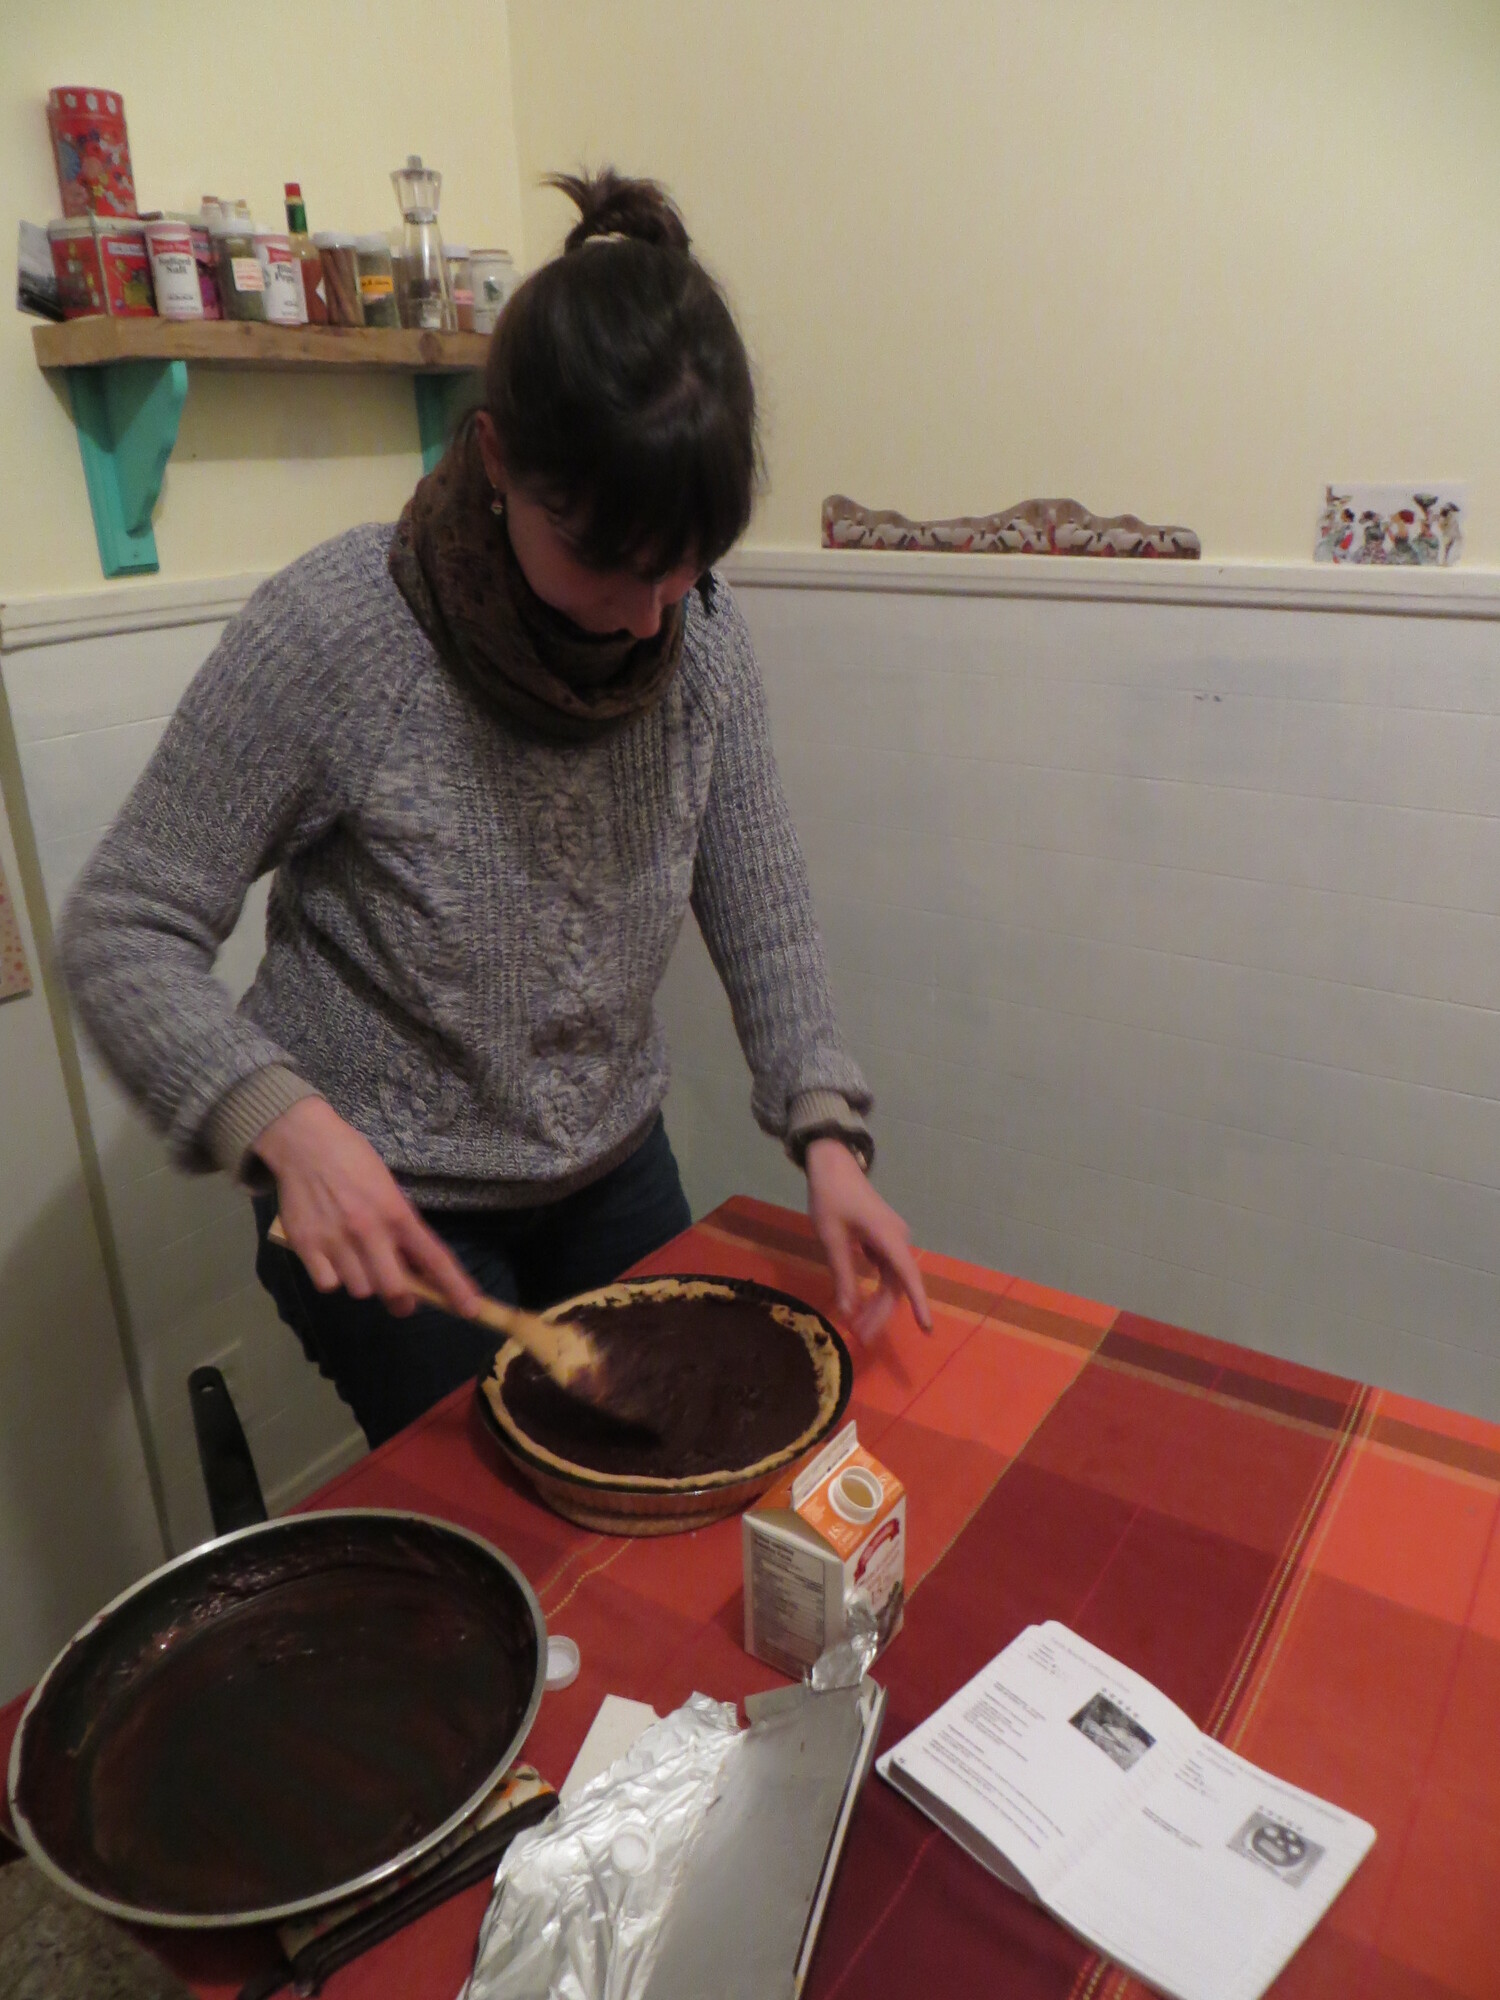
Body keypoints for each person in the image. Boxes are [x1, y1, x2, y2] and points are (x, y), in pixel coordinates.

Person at [59, 169, 932, 1449]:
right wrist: (280, 1119)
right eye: (607, 563)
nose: (647, 618)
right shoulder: (346, 630)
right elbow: (122, 926)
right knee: (511, 1513)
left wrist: (828, 1138)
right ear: (496, 463)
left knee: (680, 1462)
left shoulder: (702, 637)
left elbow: (763, 905)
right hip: (396, 1200)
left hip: (612, 1168)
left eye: (682, 569)